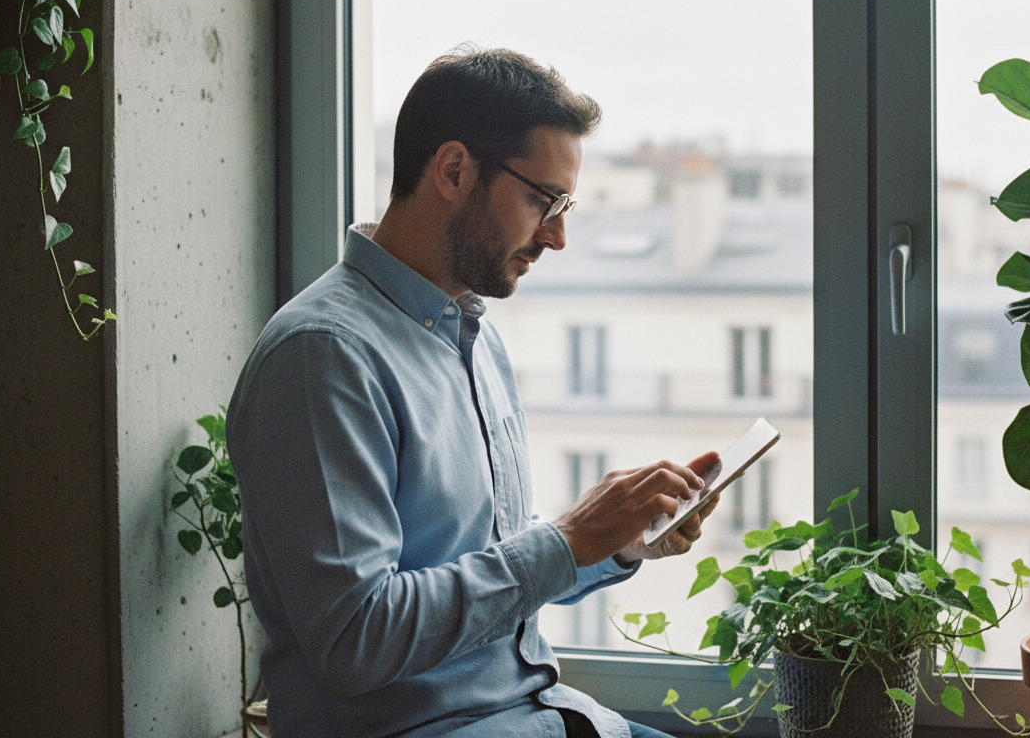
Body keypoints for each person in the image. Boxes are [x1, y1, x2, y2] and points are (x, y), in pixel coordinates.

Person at [227, 46, 721, 738]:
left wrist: (613, 542)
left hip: (542, 716)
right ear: (454, 170)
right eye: (542, 201)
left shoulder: (474, 337)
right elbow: (354, 639)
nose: (559, 236)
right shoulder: (323, 357)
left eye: (565, 205)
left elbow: (489, 570)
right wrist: (564, 540)